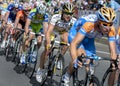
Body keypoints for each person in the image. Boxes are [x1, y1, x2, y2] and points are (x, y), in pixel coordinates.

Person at [61, 7, 117, 86]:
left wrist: (114, 62)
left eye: (110, 24)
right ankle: (66, 76)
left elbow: (113, 51)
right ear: (99, 21)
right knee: (81, 55)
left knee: (91, 64)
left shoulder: (111, 30)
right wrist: (74, 59)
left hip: (89, 38)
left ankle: (89, 81)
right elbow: (74, 44)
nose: (107, 28)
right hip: (76, 33)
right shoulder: (89, 24)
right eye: (104, 24)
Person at [36, 2, 77, 83]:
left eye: (70, 14)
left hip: (62, 32)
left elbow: (74, 35)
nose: (69, 16)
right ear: (62, 12)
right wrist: (48, 43)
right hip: (53, 32)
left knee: (67, 40)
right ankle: (40, 69)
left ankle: (59, 58)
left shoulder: (73, 20)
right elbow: (48, 32)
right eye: (66, 13)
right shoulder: (56, 17)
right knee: (47, 50)